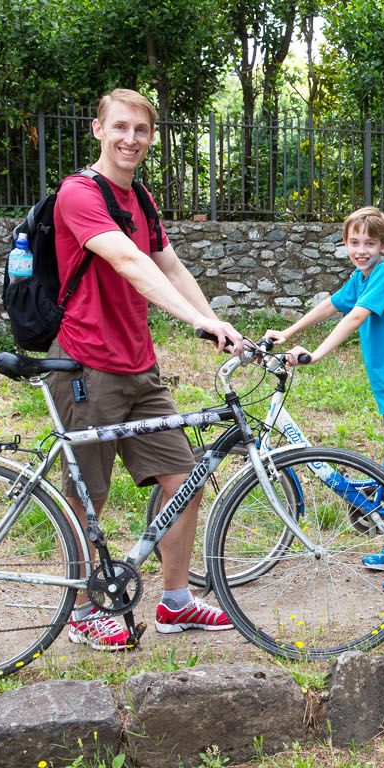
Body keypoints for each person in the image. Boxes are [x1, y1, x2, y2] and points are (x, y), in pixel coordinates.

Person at [49, 87, 244, 650]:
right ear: (98, 130)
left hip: (140, 367)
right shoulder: (78, 194)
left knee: (184, 480)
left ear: (151, 138)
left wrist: (216, 324)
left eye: (141, 130)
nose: (131, 138)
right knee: (90, 493)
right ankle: (86, 611)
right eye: (121, 127)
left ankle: (175, 601)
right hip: (88, 365)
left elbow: (169, 265)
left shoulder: (143, 201)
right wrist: (193, 321)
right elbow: (129, 262)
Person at [263, 206, 384, 596]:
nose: (361, 250)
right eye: (354, 242)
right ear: (346, 243)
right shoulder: (361, 276)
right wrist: (287, 331)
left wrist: (315, 354)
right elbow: (333, 306)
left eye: (369, 243)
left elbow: (354, 318)